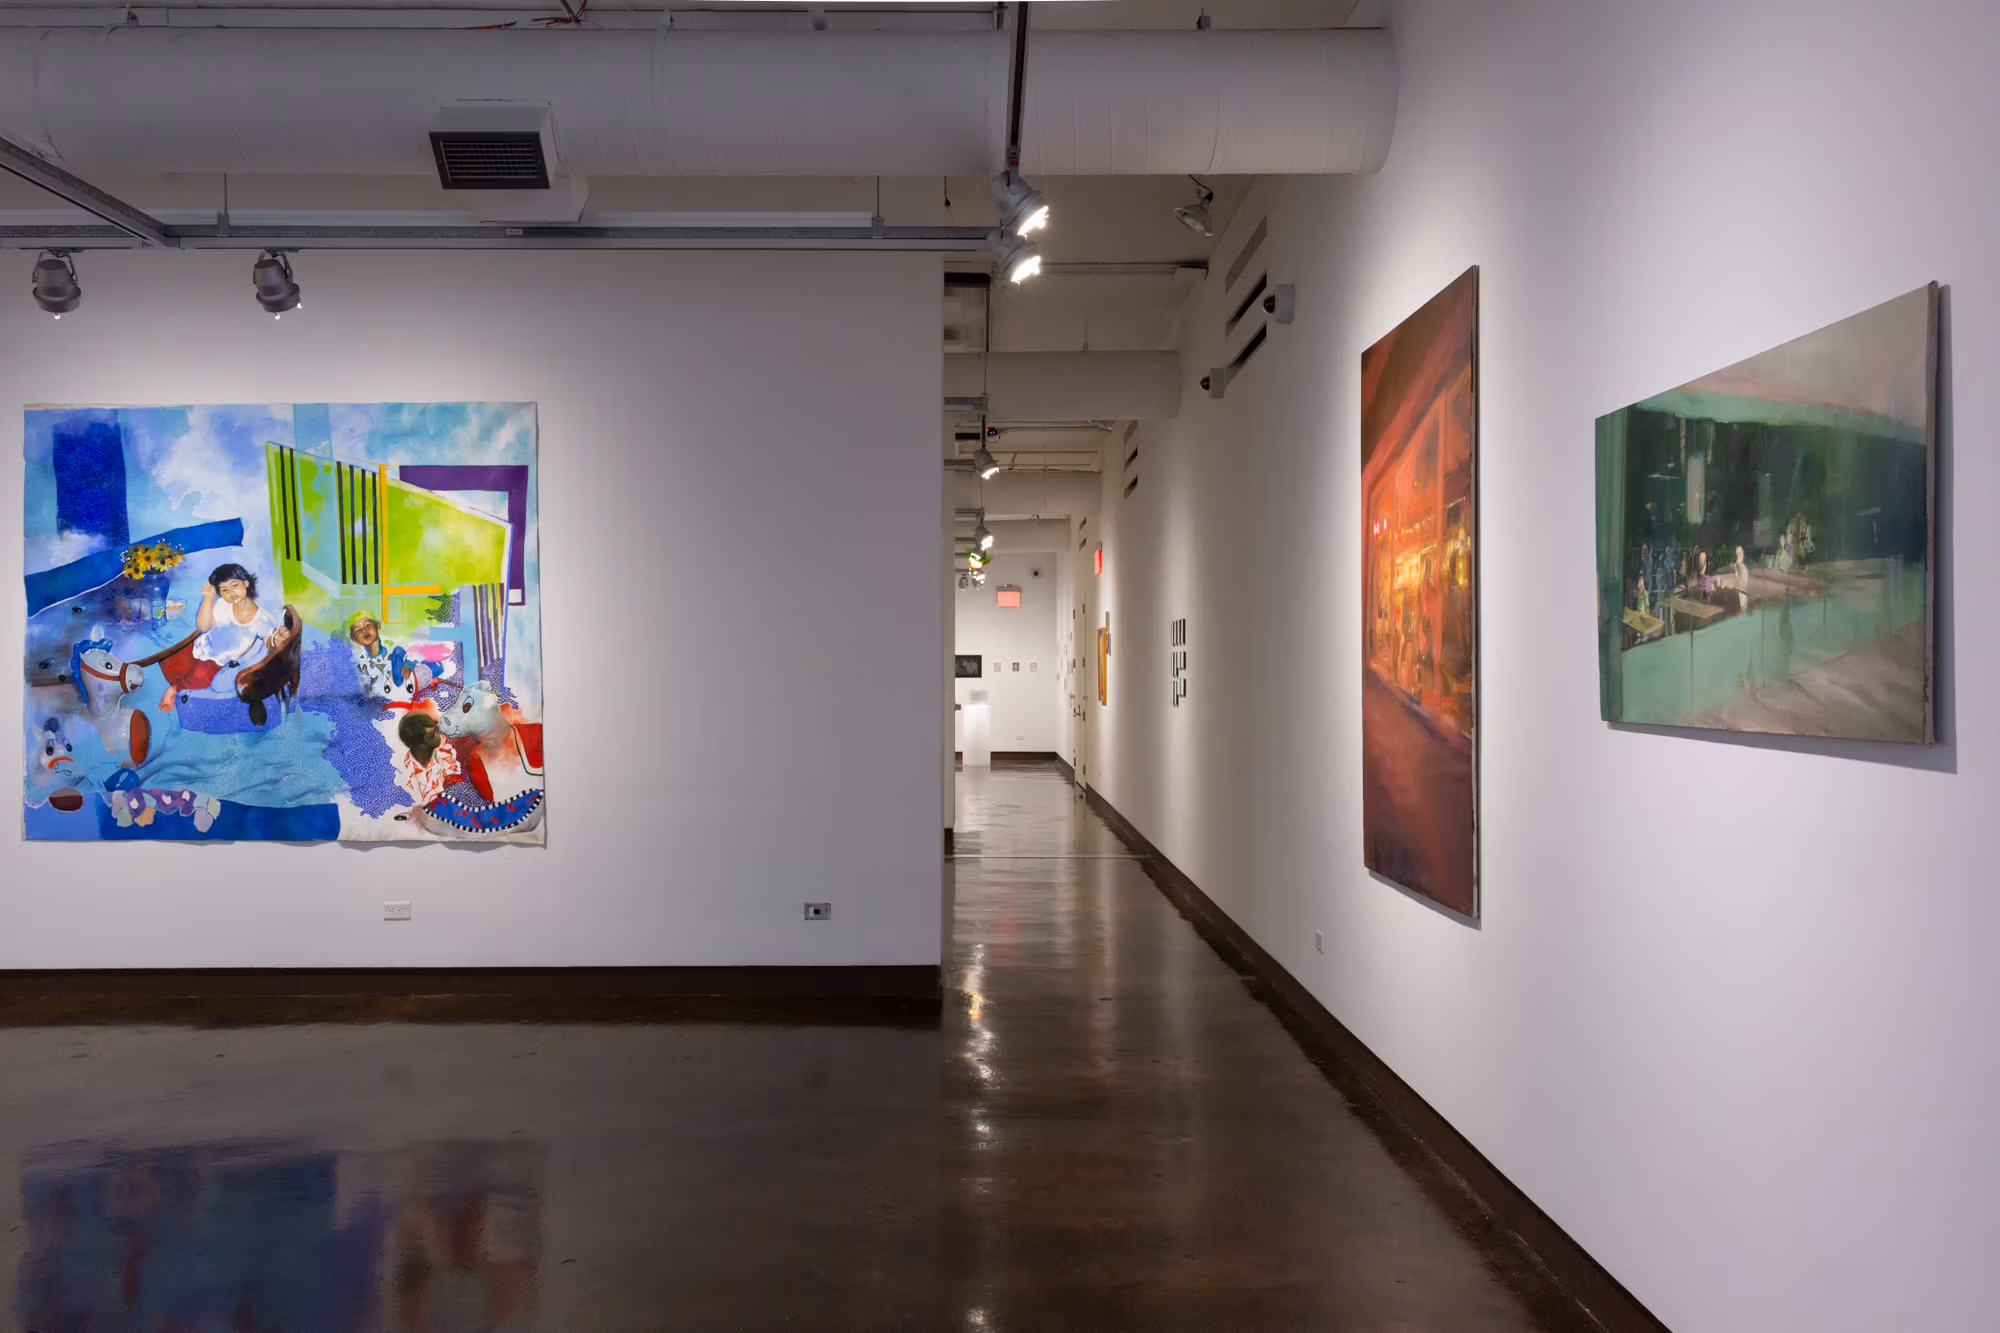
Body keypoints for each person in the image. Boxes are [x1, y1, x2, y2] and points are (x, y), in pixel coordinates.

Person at [151, 563, 280, 712]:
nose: (231, 593)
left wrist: (277, 640)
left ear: (246, 583)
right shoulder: (223, 604)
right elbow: (204, 626)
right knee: (168, 657)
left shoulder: (261, 618)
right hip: (203, 645)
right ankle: (178, 683)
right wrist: (209, 598)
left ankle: (174, 689)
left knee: (199, 677)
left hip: (219, 660)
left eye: (235, 585)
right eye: (224, 590)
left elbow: (270, 642)